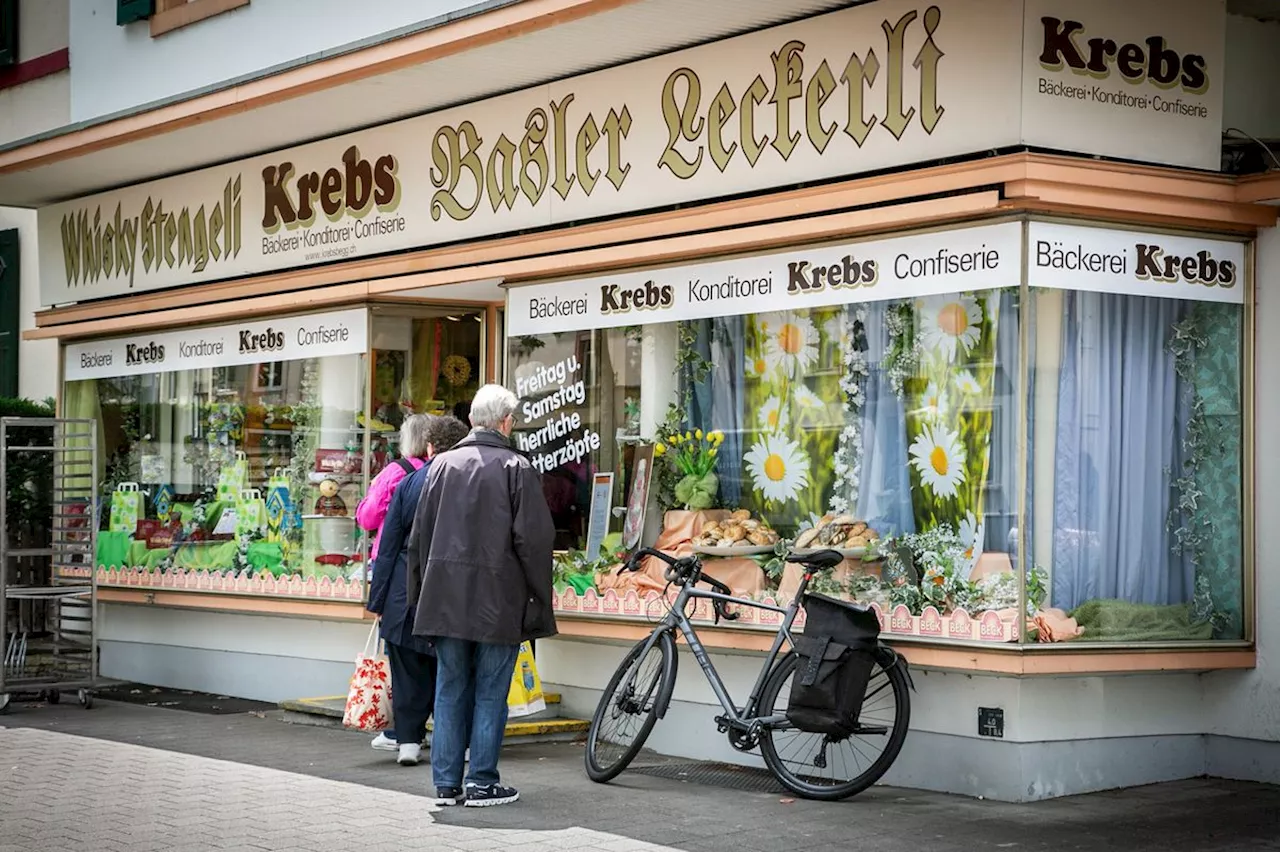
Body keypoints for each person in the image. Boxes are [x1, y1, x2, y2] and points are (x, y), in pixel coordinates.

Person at [407, 384, 557, 808]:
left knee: (450, 687)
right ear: (506, 422)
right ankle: (483, 781)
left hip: (445, 599)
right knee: (491, 691)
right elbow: (535, 543)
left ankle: (447, 783)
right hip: (498, 601)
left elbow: (419, 541)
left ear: (473, 420)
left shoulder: (439, 467)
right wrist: (538, 601)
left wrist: (419, 598)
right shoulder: (517, 468)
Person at [365, 414, 471, 766]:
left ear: (429, 447)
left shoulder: (410, 484)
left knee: (407, 668)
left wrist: (377, 599)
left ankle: (408, 741)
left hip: (403, 593)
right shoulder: (471, 481)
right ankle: (454, 742)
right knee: (451, 671)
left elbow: (389, 543)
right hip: (453, 595)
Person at [356, 414, 432, 753]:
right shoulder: (441, 472)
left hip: (397, 568)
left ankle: (403, 731)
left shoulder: (395, 472)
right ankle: (417, 728)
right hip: (432, 574)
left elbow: (368, 518)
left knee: (400, 653)